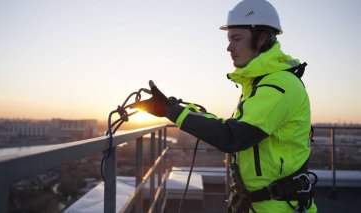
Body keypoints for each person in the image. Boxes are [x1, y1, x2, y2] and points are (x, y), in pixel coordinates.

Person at [131, 0, 317, 212]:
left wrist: (172, 112)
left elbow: (233, 136)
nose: (229, 47)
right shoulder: (260, 83)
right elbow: (229, 126)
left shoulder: (279, 85)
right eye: (229, 39)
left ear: (262, 38)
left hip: (278, 208)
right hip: (259, 204)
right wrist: (172, 108)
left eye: (236, 39)